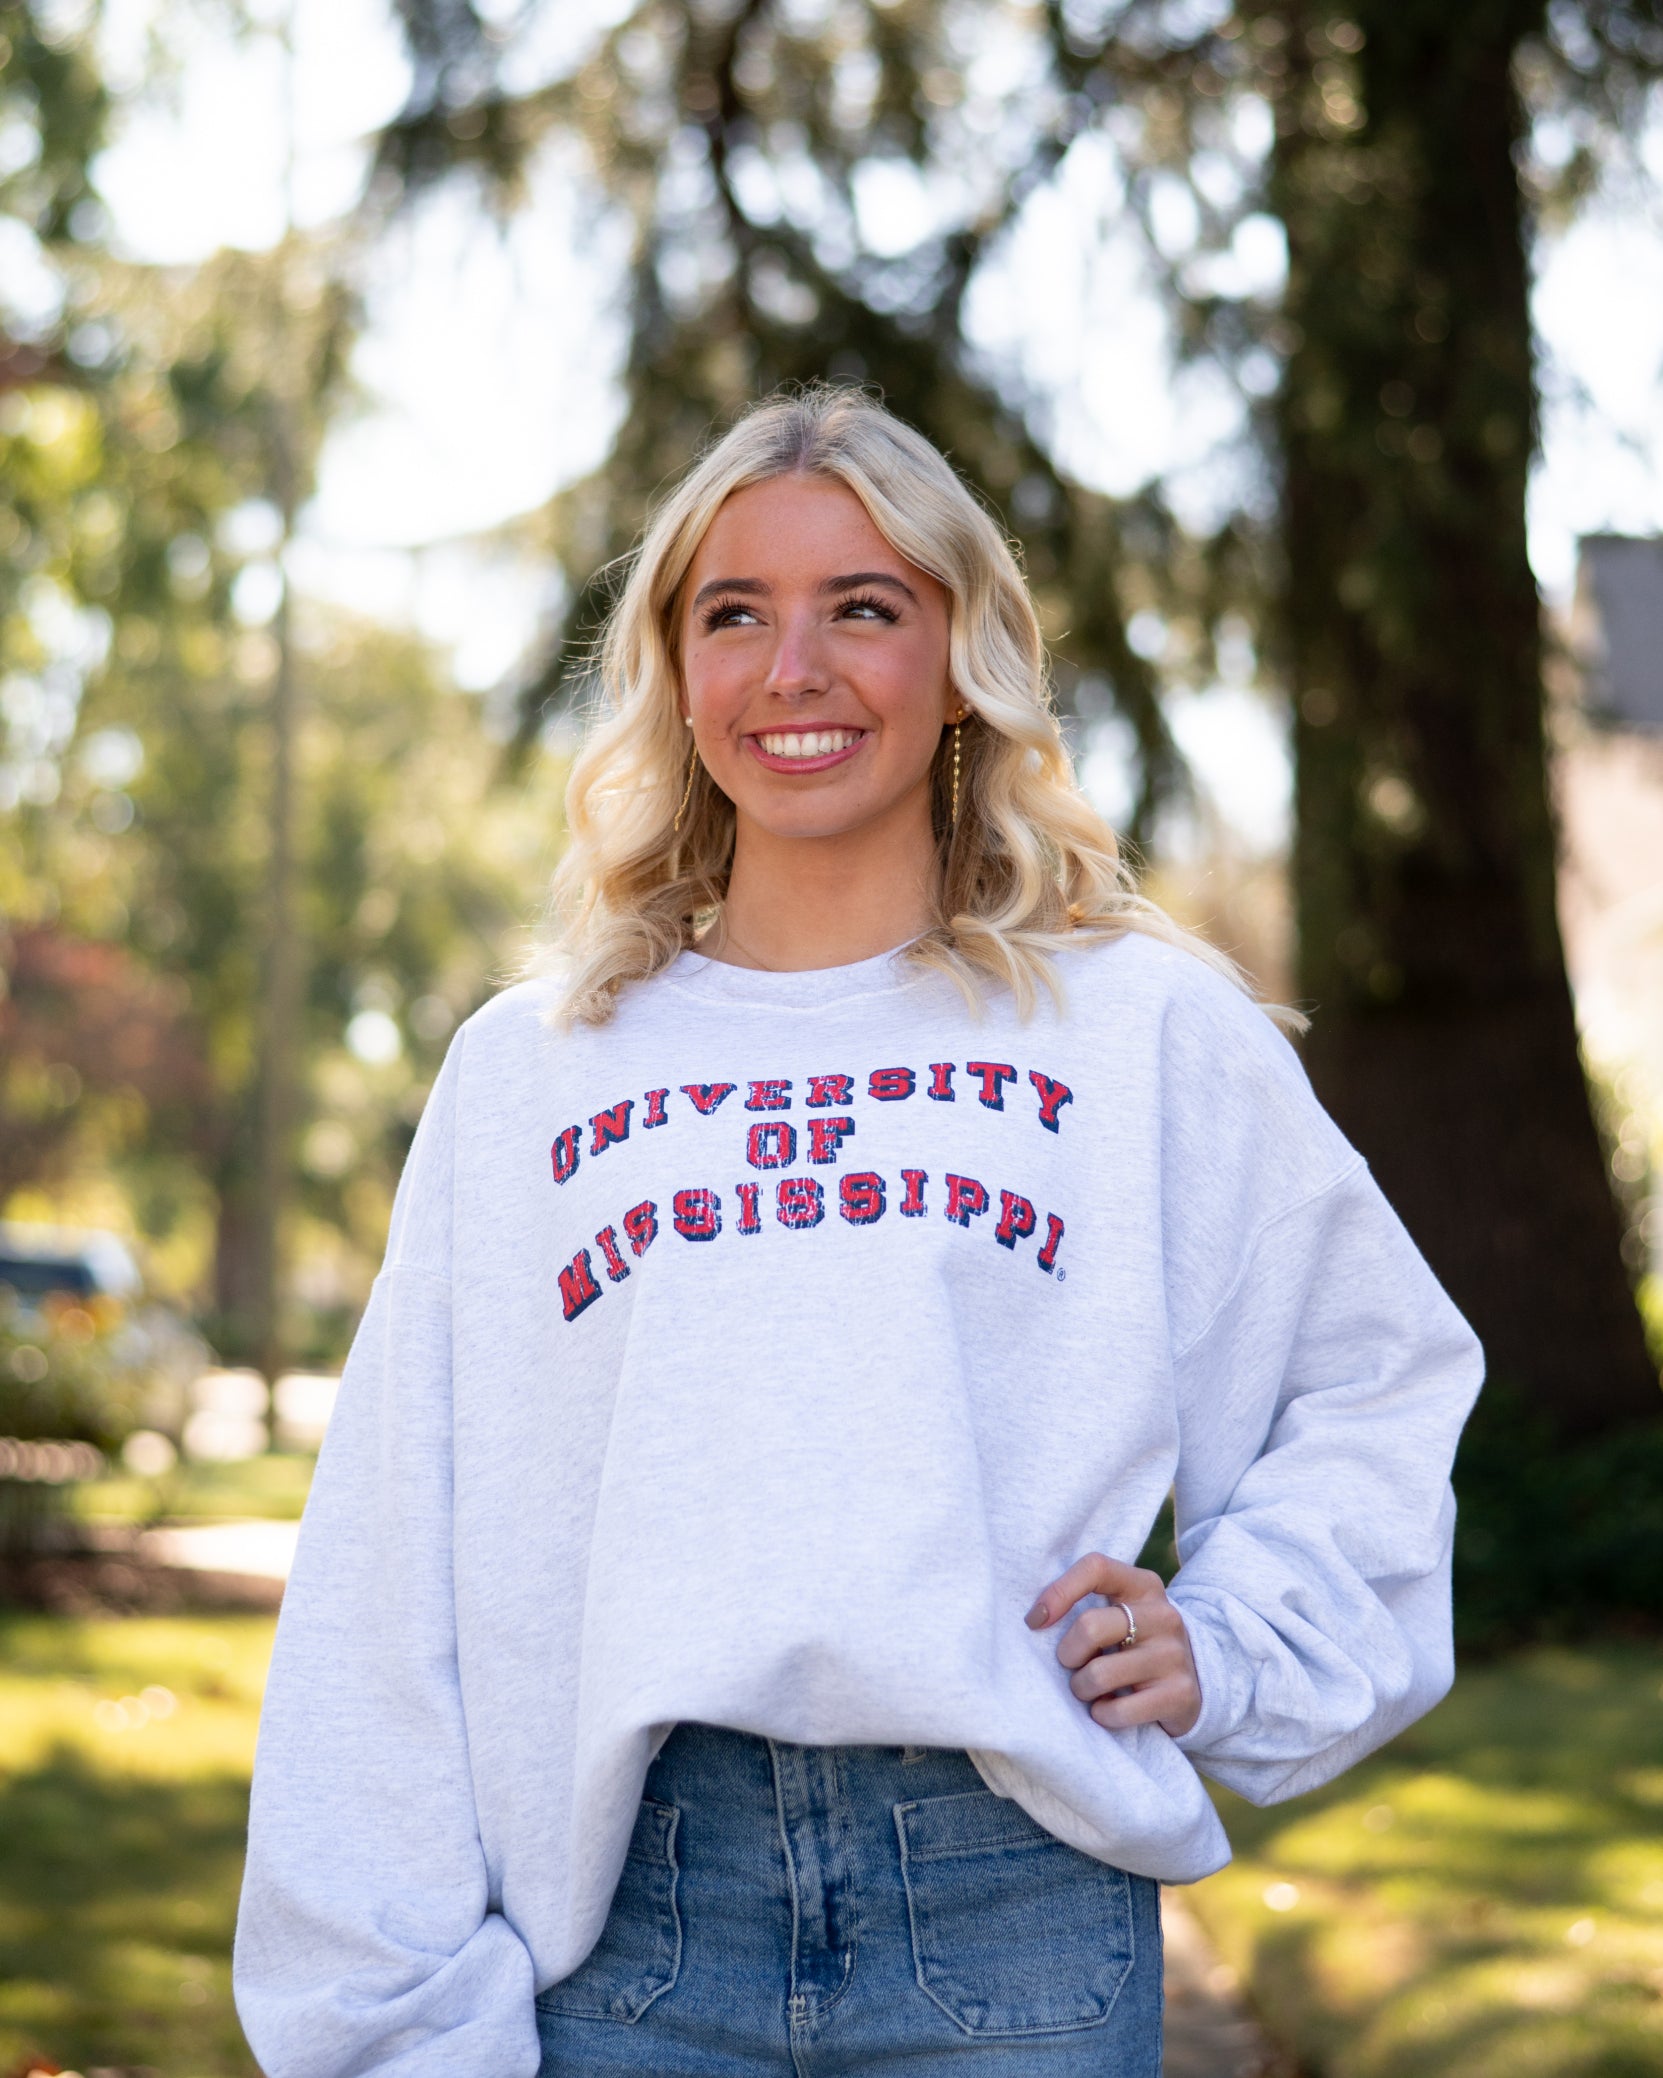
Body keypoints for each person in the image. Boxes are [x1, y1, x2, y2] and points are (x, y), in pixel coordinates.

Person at [234, 387, 1482, 2077]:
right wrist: (389, 2017)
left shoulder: (1134, 1032)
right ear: (675, 669)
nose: (791, 668)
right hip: (622, 1921)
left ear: (960, 652)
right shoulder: (529, 1074)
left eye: (863, 608)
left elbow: (1376, 1372)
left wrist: (1240, 1640)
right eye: (732, 613)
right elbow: (396, 1564)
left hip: (1013, 1910)